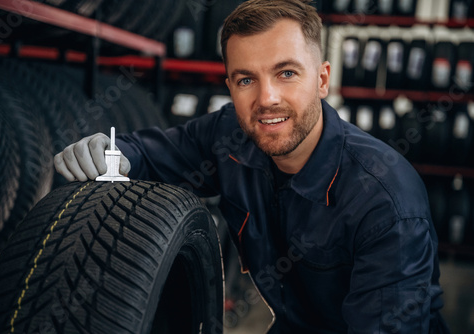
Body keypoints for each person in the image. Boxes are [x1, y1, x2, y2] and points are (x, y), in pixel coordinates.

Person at [54, 0, 449, 332]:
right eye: (246, 80)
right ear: (229, 87)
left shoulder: (384, 202)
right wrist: (109, 153)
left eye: (287, 73)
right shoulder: (230, 134)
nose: (267, 98)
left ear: (323, 79)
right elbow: (153, 154)